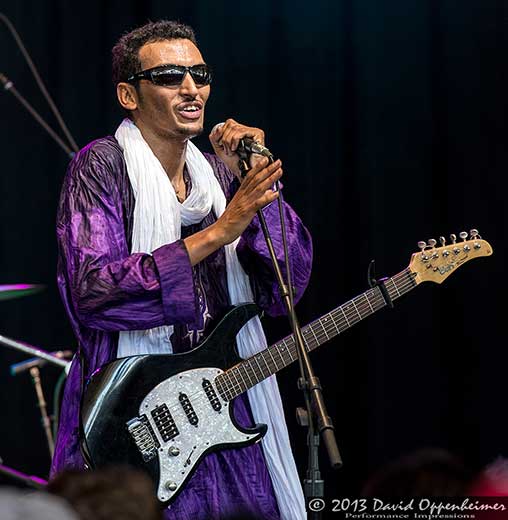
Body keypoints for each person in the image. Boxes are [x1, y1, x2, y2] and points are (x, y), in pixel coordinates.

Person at [50, 20, 312, 520]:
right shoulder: (100, 166)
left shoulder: (218, 173)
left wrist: (249, 175)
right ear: (129, 94)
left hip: (224, 416)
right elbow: (94, 291)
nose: (191, 88)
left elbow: (287, 285)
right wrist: (217, 232)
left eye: (200, 73)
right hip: (131, 423)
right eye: (170, 76)